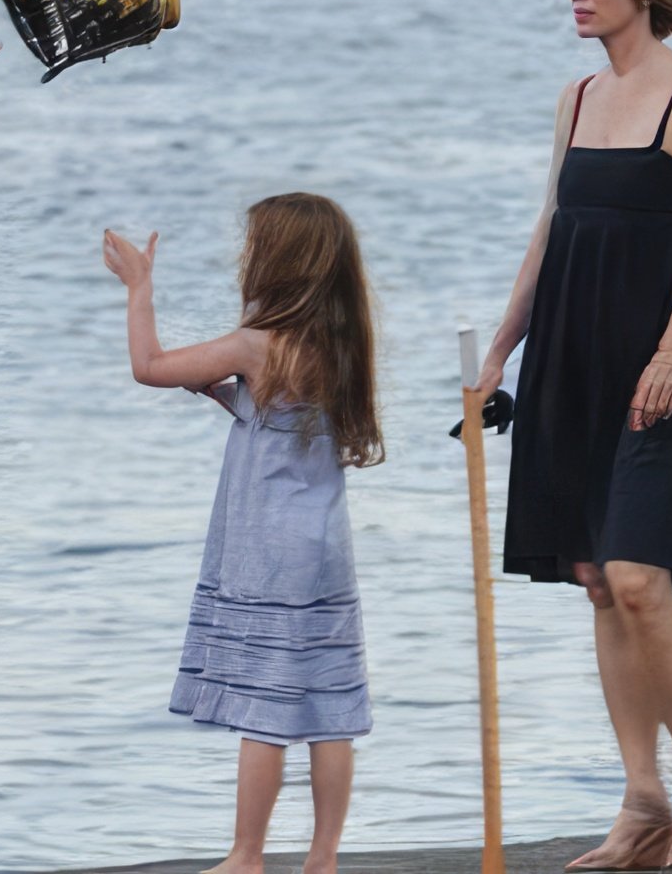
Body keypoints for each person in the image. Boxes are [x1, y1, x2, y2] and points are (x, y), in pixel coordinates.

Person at [473, 0, 672, 872]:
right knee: (593, 579)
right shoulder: (577, 102)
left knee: (639, 576)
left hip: (659, 367)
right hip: (568, 362)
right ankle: (641, 803)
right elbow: (553, 229)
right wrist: (503, 347)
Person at [101, 194, 385, 874]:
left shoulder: (256, 345)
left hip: (270, 552)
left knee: (265, 704)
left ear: (276, 265)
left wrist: (140, 288)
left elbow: (149, 365)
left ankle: (247, 854)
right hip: (324, 549)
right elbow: (282, 417)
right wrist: (225, 395)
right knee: (328, 702)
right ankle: (323, 856)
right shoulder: (339, 346)